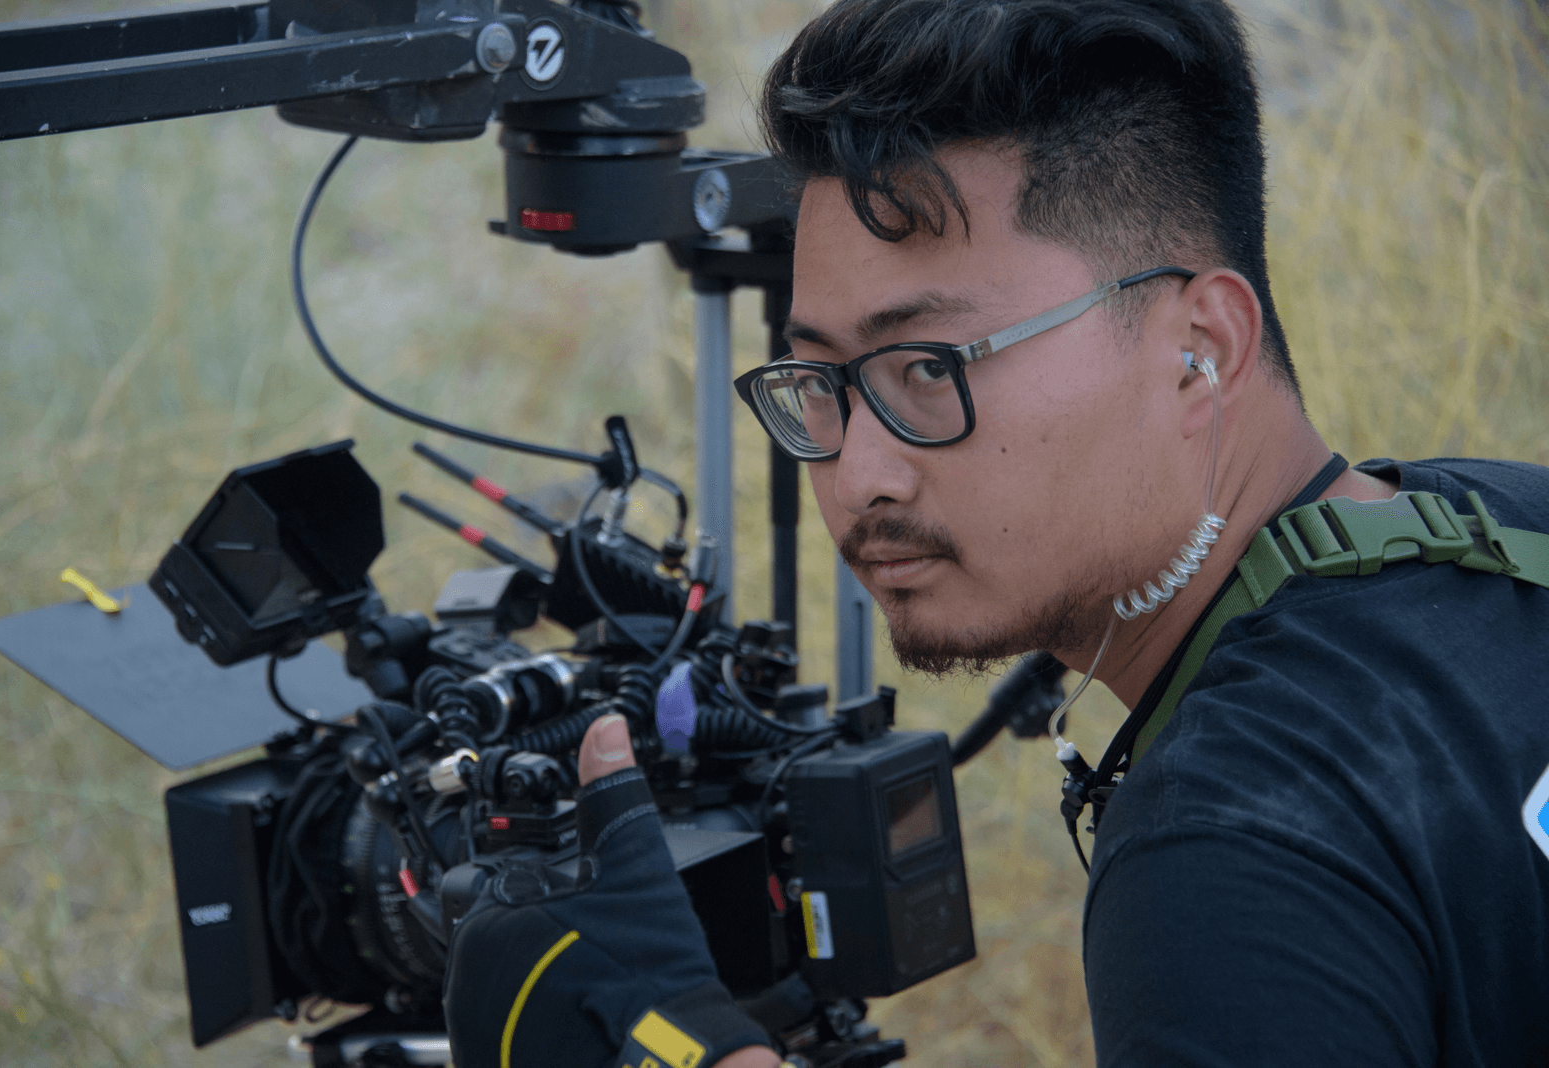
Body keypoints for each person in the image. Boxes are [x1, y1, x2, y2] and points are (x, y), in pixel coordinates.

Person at [444, 0, 1549, 1064]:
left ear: (1199, 349)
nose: (858, 476)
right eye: (818, 381)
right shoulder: (1515, 521)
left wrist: (674, 1051)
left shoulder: (1225, 851)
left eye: (930, 369)